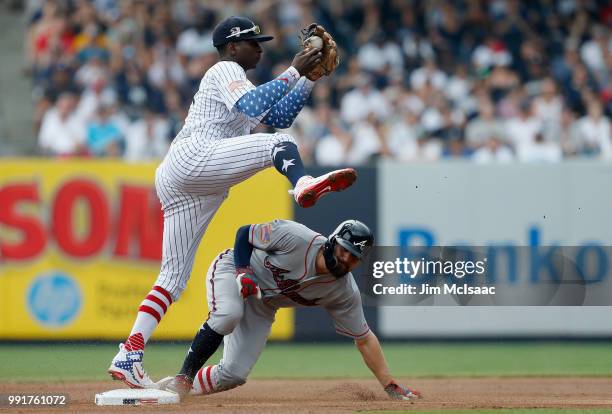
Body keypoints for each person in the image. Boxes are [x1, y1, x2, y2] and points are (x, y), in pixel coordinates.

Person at [108, 16, 357, 388]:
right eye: (253, 41)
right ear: (231, 46)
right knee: (279, 145)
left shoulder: (240, 81)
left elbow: (279, 114)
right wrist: (293, 69)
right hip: (194, 159)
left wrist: (308, 79)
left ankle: (129, 353)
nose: (260, 47)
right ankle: (303, 183)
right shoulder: (223, 69)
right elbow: (256, 104)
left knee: (173, 279)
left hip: (191, 183)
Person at [156, 219, 422, 401]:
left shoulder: (343, 291)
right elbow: (244, 233)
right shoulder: (296, 237)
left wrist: (389, 384)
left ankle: (173, 390)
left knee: (233, 375)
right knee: (228, 314)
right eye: (345, 250)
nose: (346, 259)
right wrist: (244, 272)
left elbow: (364, 338)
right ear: (332, 242)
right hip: (233, 270)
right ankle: (184, 376)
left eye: (354, 257)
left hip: (264, 304)